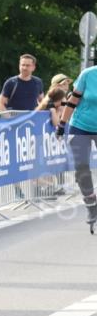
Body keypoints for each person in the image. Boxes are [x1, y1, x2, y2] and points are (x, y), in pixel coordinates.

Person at [55, 64, 97, 231]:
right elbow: (73, 101)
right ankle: (91, 204)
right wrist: (62, 124)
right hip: (80, 126)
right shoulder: (88, 74)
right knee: (81, 167)